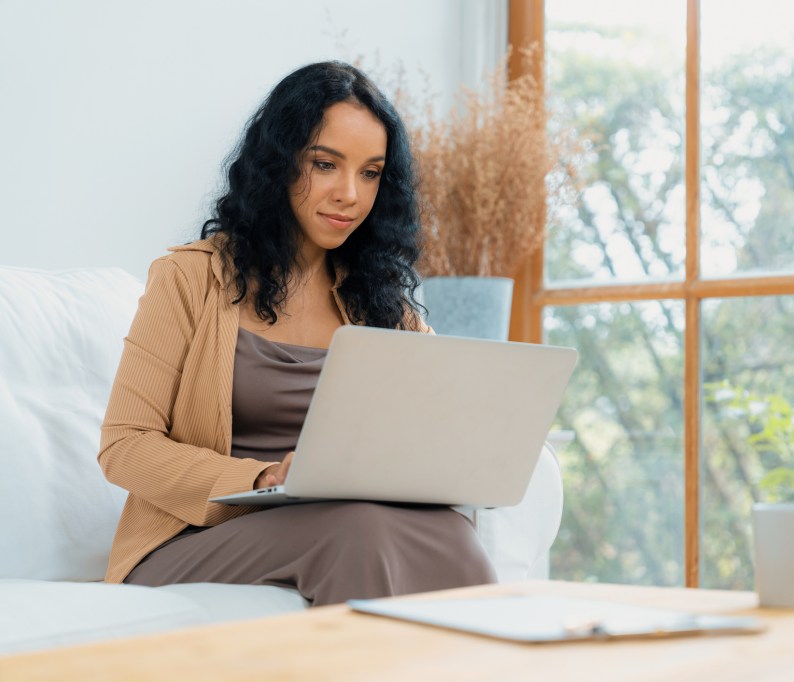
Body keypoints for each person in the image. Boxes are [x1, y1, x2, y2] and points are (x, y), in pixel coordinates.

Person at [98, 62, 497, 606]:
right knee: (356, 530)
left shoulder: (386, 305)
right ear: (279, 163)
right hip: (193, 538)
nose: (350, 195)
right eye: (326, 164)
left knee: (452, 535)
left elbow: (431, 431)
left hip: (337, 520)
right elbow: (125, 448)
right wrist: (263, 478)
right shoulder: (189, 279)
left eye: (371, 173)